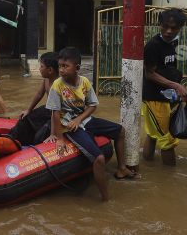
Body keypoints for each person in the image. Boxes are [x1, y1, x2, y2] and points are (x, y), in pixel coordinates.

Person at [46, 47, 135, 201]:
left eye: (65, 66)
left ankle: (121, 169)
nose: (61, 70)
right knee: (99, 159)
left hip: (85, 120)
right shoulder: (57, 86)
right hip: (69, 126)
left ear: (77, 68)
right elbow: (54, 113)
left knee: (120, 131)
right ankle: (105, 199)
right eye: (60, 66)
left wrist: (79, 118)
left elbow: (92, 105)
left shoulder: (85, 82)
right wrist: (58, 138)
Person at [141, 8, 187, 166]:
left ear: (180, 28)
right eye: (165, 26)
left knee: (153, 134)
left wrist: (178, 85)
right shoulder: (153, 46)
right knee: (168, 140)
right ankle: (171, 181)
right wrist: (175, 85)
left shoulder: (172, 43)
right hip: (154, 97)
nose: (169, 31)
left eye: (173, 28)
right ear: (159, 25)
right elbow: (150, 74)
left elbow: (169, 68)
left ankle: (148, 166)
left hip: (165, 96)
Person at [8, 52, 59, 145]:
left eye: (41, 66)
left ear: (50, 70)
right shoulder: (47, 79)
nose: (39, 69)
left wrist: (53, 133)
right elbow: (39, 94)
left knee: (40, 136)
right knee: (24, 119)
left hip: (57, 114)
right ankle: (12, 140)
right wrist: (28, 110)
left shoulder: (58, 85)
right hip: (48, 110)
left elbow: (56, 111)